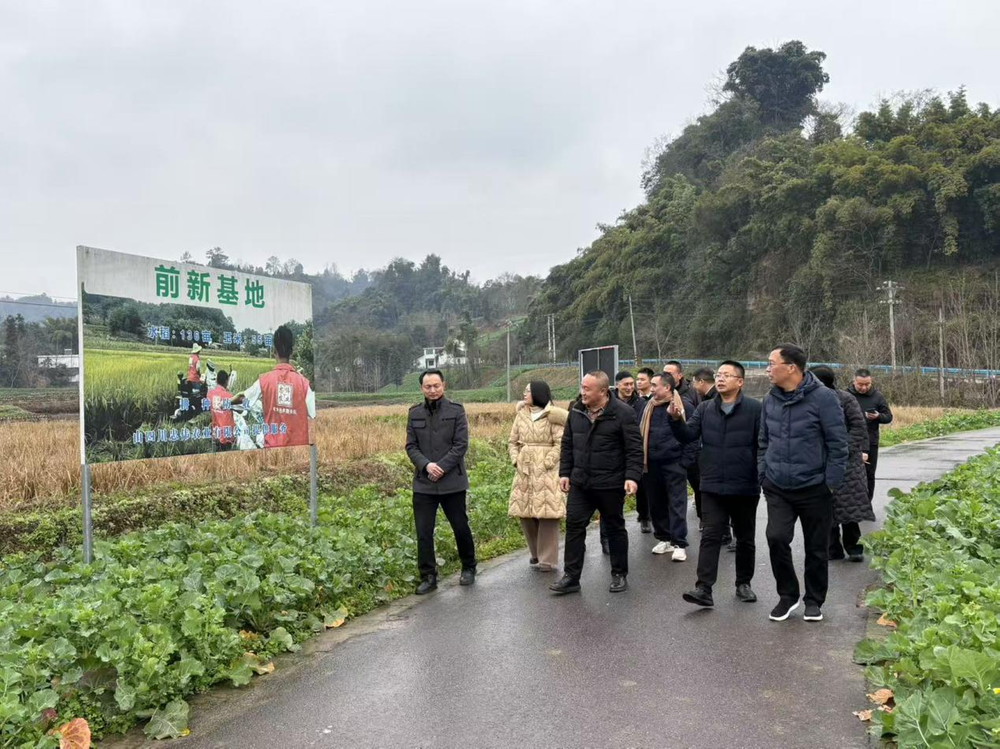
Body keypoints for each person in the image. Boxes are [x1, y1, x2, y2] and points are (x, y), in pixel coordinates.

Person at [759, 344, 847, 623]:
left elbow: (838, 444)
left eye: (771, 363)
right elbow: (763, 441)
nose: (767, 369)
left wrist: (829, 483)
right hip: (778, 486)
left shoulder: (823, 398)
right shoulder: (770, 399)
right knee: (776, 537)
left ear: (791, 368)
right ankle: (787, 596)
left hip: (815, 487)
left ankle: (814, 599)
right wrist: (764, 474)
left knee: (816, 547)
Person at [670, 361, 762, 607]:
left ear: (740, 382)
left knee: (745, 538)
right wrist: (676, 420)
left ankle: (743, 584)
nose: (720, 379)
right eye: (718, 375)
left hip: (745, 484)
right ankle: (704, 588)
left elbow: (764, 445)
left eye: (727, 375)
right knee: (711, 536)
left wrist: (761, 474)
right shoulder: (706, 409)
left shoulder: (755, 409)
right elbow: (688, 435)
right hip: (712, 484)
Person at [549, 371, 643, 595]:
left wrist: (632, 477)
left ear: (602, 391)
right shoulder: (576, 411)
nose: (582, 392)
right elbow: (568, 444)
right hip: (581, 482)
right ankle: (572, 576)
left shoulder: (623, 413)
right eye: (582, 387)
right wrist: (565, 473)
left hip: (610, 482)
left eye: (587, 388)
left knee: (614, 527)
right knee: (574, 526)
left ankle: (619, 574)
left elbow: (634, 449)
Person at [405, 369, 477, 595]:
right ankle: (428, 576)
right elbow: (411, 446)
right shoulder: (414, 413)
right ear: (421, 388)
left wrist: (442, 467)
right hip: (424, 482)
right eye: (428, 387)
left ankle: (468, 566)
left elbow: (460, 445)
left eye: (436, 386)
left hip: (452, 482)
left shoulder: (456, 411)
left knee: (460, 526)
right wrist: (426, 465)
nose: (433, 390)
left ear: (443, 385)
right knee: (424, 531)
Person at [810, 367, 873, 563]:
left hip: (847, 461)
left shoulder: (845, 399)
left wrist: (842, 446)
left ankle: (854, 546)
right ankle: (832, 548)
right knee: (825, 508)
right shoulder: (809, 400)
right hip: (820, 460)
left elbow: (858, 426)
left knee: (849, 506)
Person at [508, 381, 568, 573]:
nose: (525, 394)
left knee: (547, 514)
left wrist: (548, 461)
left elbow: (561, 443)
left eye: (528, 391)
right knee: (525, 513)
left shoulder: (554, 415)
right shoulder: (521, 414)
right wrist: (516, 460)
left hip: (547, 470)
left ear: (538, 393)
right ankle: (535, 552)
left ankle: (548, 559)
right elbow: (512, 441)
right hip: (524, 469)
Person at [232, 325, 316, 448]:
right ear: (292, 352)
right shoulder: (303, 383)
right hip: (299, 452)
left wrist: (223, 402)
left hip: (273, 451)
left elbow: (241, 397)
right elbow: (314, 413)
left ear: (274, 351)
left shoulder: (264, 380)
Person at [639, 372, 693, 562]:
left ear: (667, 388)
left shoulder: (684, 406)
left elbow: (692, 436)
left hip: (674, 462)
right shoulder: (648, 407)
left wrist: (685, 461)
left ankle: (679, 543)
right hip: (651, 463)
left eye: (655, 385)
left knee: (677, 503)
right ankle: (664, 538)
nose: (651, 389)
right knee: (656, 502)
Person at [665, 360, 704, 527]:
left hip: (691, 450)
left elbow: (698, 424)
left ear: (679, 376)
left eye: (670, 374)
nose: (667, 377)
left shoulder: (691, 394)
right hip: (671, 452)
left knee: (698, 485)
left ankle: (703, 517)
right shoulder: (661, 394)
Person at [847, 369, 893, 501]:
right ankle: (852, 503)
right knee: (851, 474)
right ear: (854, 381)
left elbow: (889, 417)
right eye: (860, 384)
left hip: (871, 440)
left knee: (869, 473)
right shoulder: (846, 395)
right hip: (850, 441)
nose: (864, 387)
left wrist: (878, 416)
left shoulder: (877, 396)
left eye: (867, 384)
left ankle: (867, 502)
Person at [632, 366, 656, 534]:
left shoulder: (656, 400)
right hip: (636, 448)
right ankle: (644, 517)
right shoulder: (633, 400)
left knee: (654, 485)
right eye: (637, 379)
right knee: (641, 485)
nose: (638, 382)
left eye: (642, 380)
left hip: (652, 447)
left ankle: (656, 514)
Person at [208, 369, 236, 451]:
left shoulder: (210, 394)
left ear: (216, 380)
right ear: (227, 381)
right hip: (227, 434)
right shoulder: (229, 396)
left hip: (216, 432)